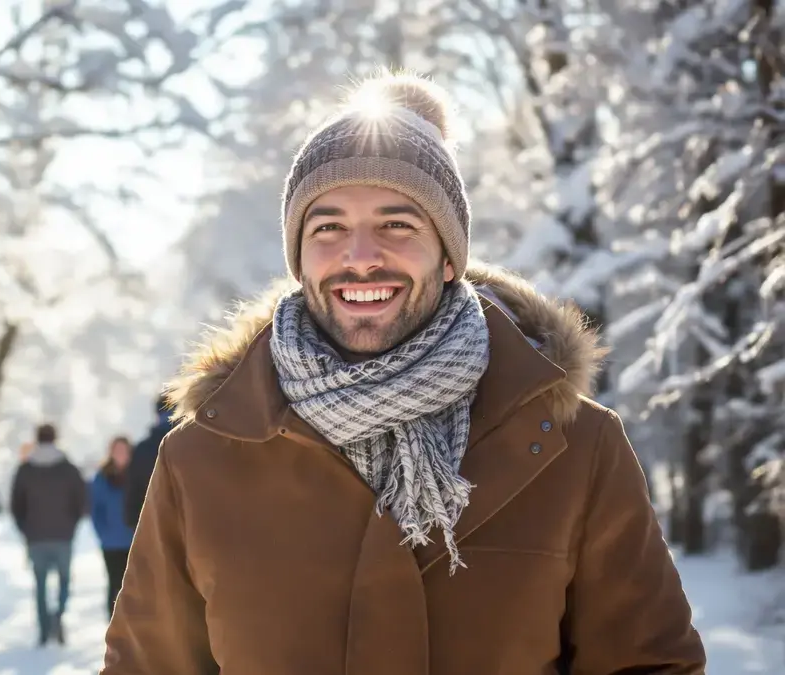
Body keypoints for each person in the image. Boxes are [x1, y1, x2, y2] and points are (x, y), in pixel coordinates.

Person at [102, 71, 706, 674]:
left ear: (449, 258)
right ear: (299, 260)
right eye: (328, 228)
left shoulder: (572, 443)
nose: (361, 257)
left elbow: (649, 665)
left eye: (397, 225)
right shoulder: (203, 457)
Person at [10, 423, 89, 647]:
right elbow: (82, 502)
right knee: (64, 581)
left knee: (41, 585)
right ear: (56, 439)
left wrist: (26, 529)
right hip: (63, 536)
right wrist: (71, 525)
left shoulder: (25, 469)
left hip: (36, 537)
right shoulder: (69, 469)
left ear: (37, 440)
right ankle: (58, 617)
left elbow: (16, 505)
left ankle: (44, 630)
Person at [90, 435, 136, 617]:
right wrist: (103, 534)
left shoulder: (137, 474)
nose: (120, 454)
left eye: (123, 450)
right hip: (111, 543)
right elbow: (95, 510)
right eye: (117, 450)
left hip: (134, 540)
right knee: (115, 583)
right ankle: (114, 625)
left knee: (134, 586)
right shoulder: (102, 477)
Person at [123, 393, 174, 529]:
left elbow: (134, 486)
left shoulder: (142, 449)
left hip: (152, 521)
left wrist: (133, 520)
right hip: (188, 522)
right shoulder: (193, 444)